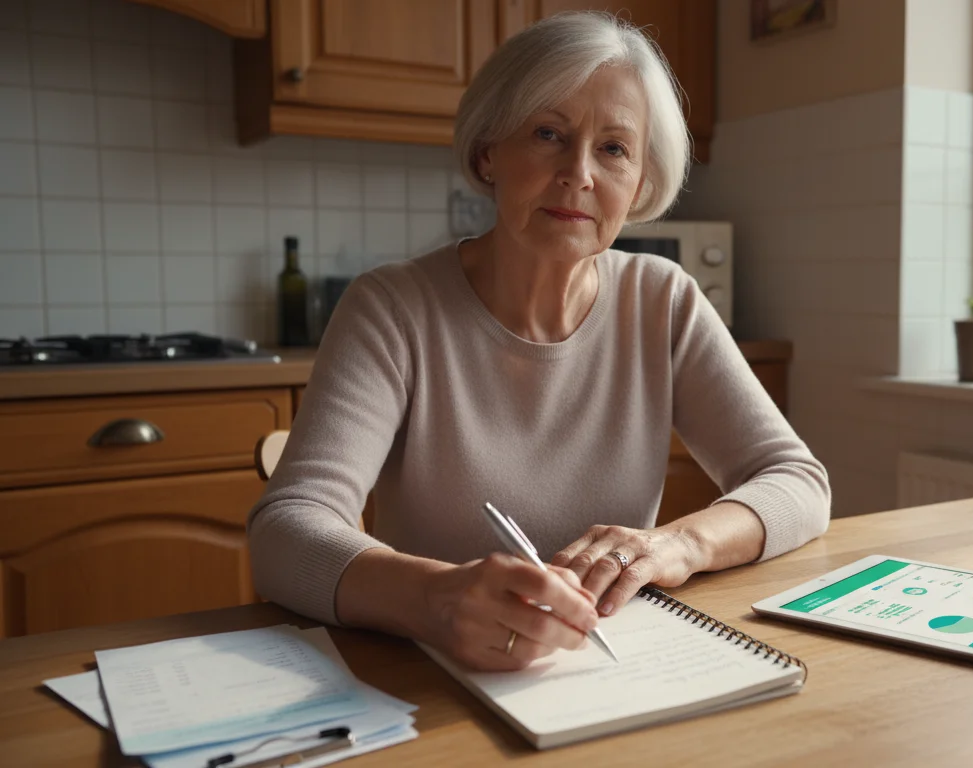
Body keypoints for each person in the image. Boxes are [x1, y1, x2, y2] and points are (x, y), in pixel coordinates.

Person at [247, 11, 830, 672]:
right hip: (436, 678)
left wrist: (677, 546)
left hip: (612, 671)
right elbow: (285, 532)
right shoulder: (392, 307)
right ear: (489, 151)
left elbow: (798, 483)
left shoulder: (662, 300)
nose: (579, 172)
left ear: (639, 183)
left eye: (613, 148)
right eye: (548, 133)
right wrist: (435, 598)